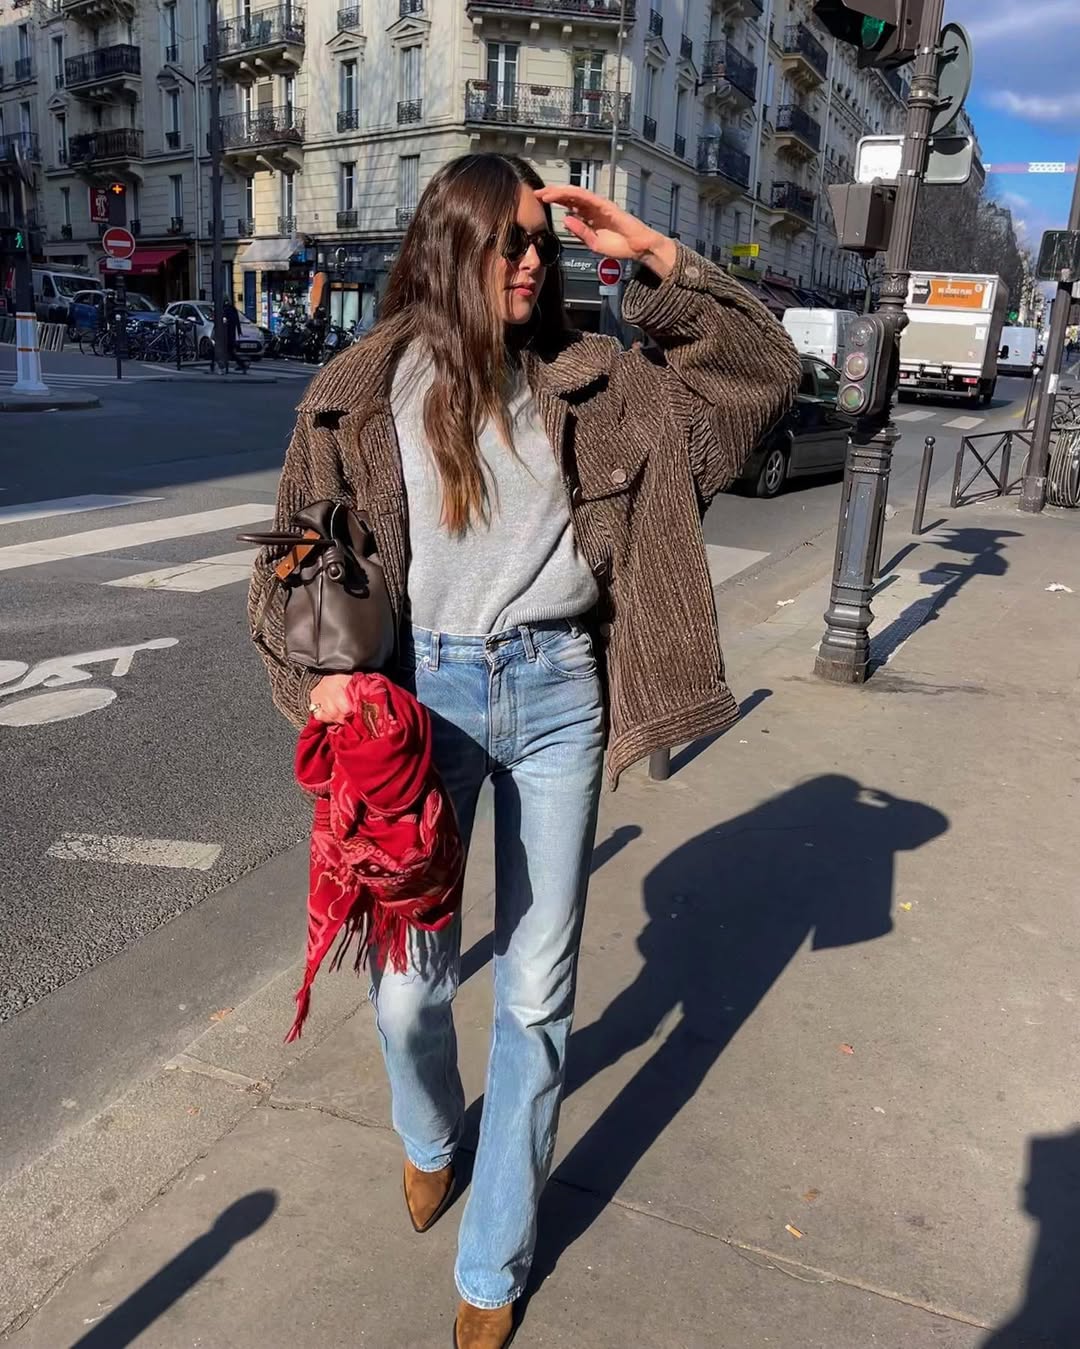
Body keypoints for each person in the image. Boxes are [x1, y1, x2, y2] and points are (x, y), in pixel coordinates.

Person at [249, 153, 799, 1348]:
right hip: (419, 699)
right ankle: (432, 1132)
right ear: (450, 249)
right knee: (409, 995)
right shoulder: (360, 389)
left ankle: (494, 1254)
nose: (533, 259)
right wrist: (323, 676)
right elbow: (292, 553)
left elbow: (765, 377)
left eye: (541, 243)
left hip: (557, 692)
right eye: (509, 241)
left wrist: (647, 253)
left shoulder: (605, 385)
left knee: (537, 996)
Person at [222, 296, 249, 372]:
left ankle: (241, 365)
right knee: (229, 352)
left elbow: (223, 322)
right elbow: (237, 322)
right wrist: (239, 331)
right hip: (232, 334)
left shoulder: (225, 310)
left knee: (228, 352)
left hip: (226, 335)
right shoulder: (233, 309)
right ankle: (240, 365)